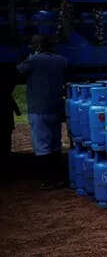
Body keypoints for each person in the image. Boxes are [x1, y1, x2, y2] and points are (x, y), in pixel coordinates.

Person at [17, 35, 68, 190]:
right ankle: (59, 177)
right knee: (55, 143)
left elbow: (18, 72)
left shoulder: (33, 61)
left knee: (41, 145)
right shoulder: (61, 60)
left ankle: (47, 180)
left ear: (38, 47)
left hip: (38, 109)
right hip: (56, 108)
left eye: (32, 45)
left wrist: (31, 57)